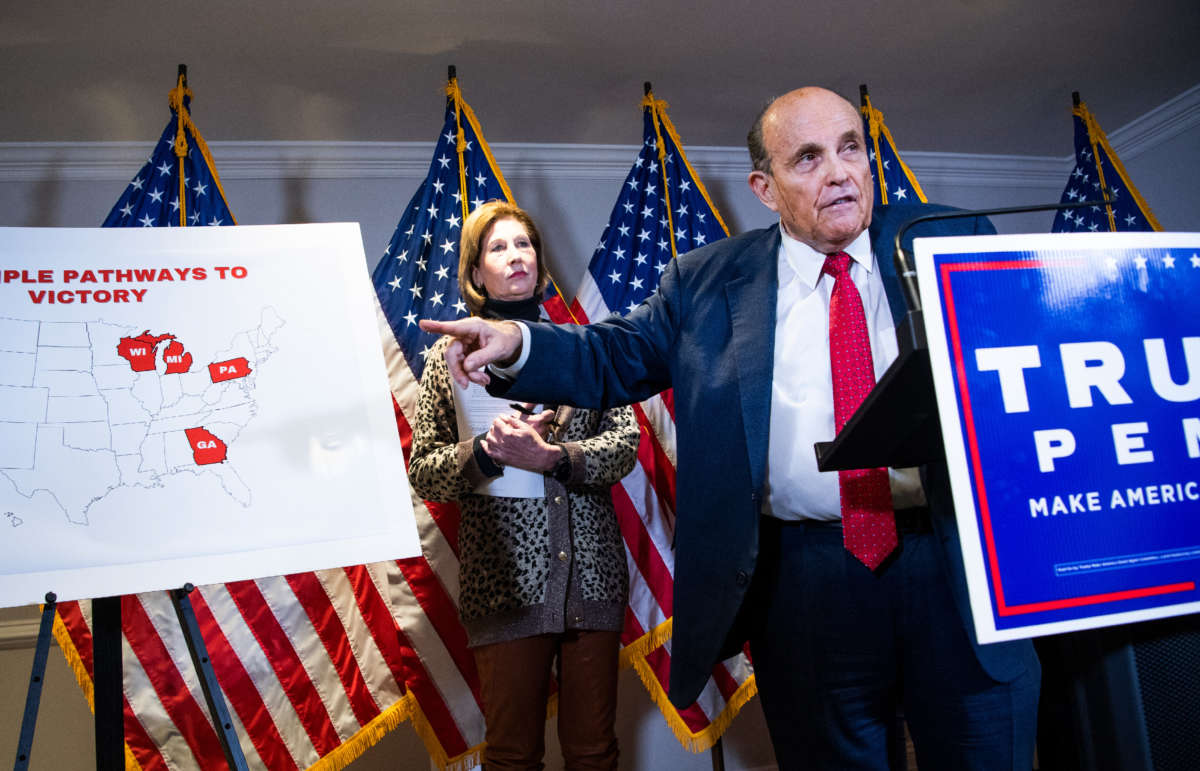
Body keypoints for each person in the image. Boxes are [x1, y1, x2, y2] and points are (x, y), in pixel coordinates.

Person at [421, 89, 1040, 770]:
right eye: (808, 157)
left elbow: (1035, 377)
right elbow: (611, 355)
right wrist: (513, 340)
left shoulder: (948, 241)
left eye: (850, 147)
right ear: (765, 188)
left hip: (953, 563)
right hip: (804, 581)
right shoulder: (707, 281)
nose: (839, 172)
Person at [408, 200, 639, 770]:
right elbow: (424, 471)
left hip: (592, 576)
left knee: (594, 752)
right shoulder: (450, 358)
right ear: (475, 271)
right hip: (504, 583)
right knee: (512, 755)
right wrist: (488, 453)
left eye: (524, 244)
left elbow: (625, 444)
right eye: (499, 247)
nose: (516, 256)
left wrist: (554, 457)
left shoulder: (584, 346)